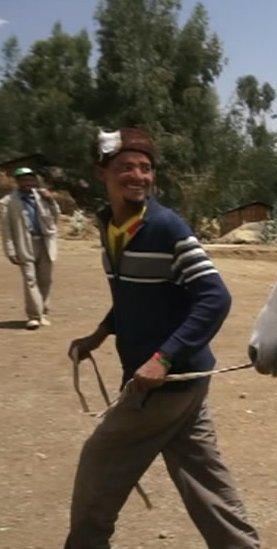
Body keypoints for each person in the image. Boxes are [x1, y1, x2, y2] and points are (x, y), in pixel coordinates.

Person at [64, 128, 260, 547]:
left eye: (146, 168)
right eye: (126, 167)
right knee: (205, 482)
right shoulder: (109, 225)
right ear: (102, 173)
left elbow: (214, 297)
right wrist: (100, 333)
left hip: (166, 381)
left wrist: (163, 357)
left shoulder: (166, 226)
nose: (138, 175)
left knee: (98, 463)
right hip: (183, 381)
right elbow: (135, 294)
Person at [1, 166, 60, 329]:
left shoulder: (42, 197)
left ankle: (44, 313)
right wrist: (10, 251)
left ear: (34, 181)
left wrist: (51, 200)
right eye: (23, 180)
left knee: (45, 280)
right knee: (30, 279)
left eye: (30, 179)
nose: (27, 182)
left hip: (45, 242)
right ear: (18, 182)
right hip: (24, 244)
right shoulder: (8, 202)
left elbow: (55, 216)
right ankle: (34, 316)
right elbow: (7, 230)